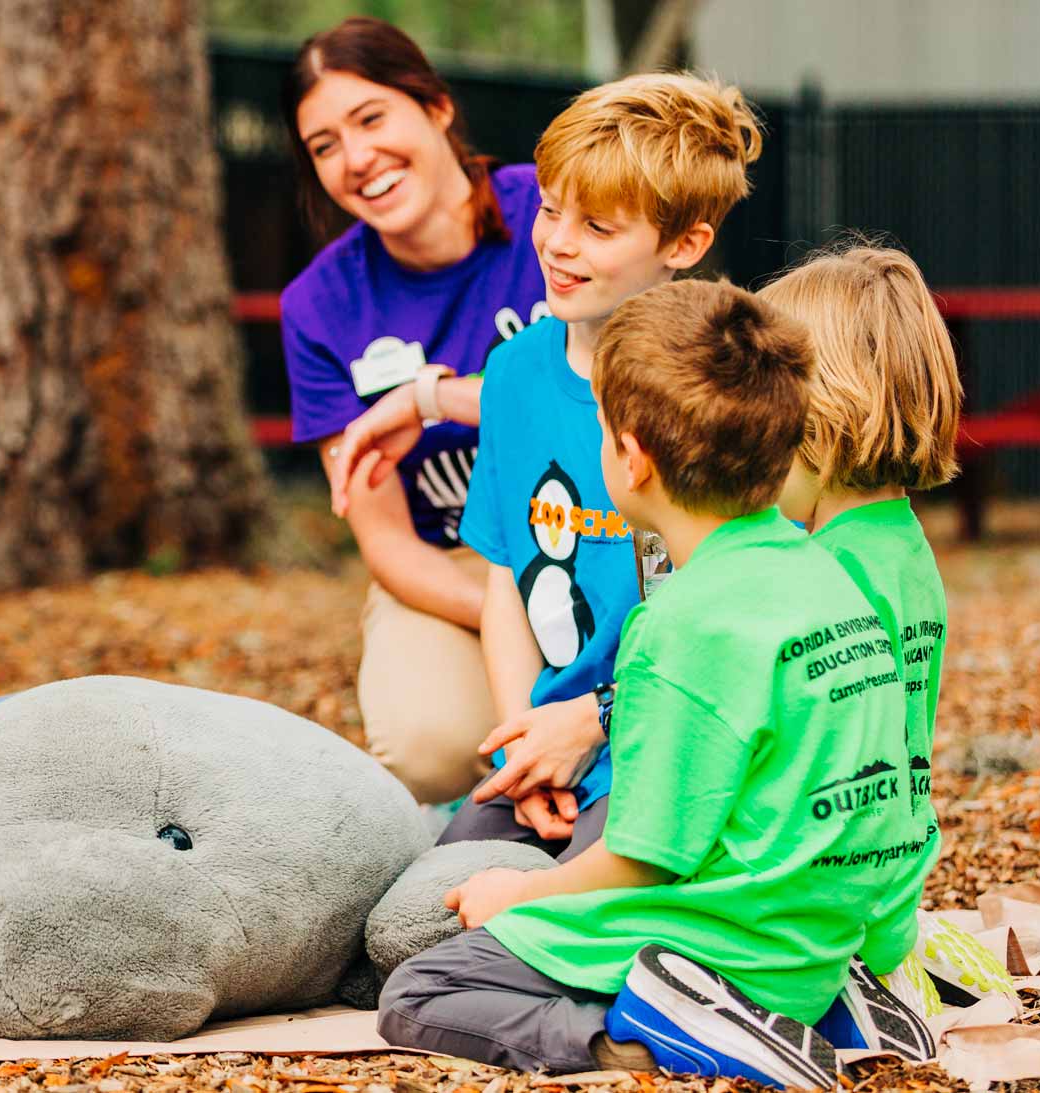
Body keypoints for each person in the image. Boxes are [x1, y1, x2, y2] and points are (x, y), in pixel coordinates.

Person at [379, 279, 924, 1088]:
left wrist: (519, 897)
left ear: (631, 457)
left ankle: (652, 1032)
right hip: (819, 933)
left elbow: (641, 859)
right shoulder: (831, 574)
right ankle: (822, 1004)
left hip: (731, 941)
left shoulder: (683, 623)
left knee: (420, 991)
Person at [339, 72, 763, 850]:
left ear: (686, 244)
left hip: (671, 756)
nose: (559, 243)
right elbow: (510, 580)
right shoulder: (513, 374)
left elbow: (733, 624)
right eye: (549, 208)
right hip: (554, 749)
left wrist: (596, 722)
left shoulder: (715, 387)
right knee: (427, 904)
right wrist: (521, 744)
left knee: (544, 924)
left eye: (599, 228)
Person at [281, 16, 548, 804]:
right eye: (324, 145)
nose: (356, 158)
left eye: (371, 118)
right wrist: (519, 609)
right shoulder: (320, 306)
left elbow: (641, 396)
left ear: (434, 105)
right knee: (429, 746)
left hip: (612, 526)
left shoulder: (554, 213)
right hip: (454, 564)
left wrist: (434, 396)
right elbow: (387, 540)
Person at [760, 242, 964, 1058]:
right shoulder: (901, 548)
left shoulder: (824, 575)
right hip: (890, 893)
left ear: (818, 413)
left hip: (825, 912)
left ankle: (852, 995)